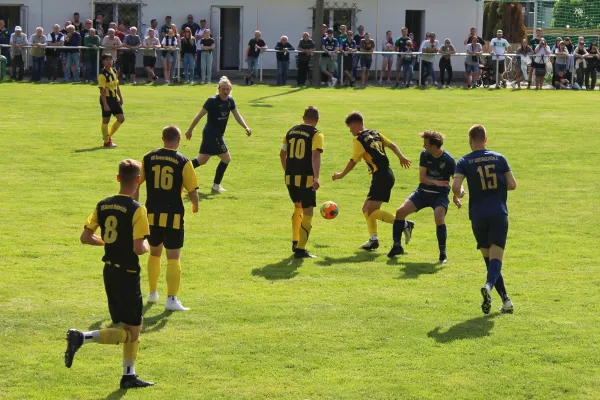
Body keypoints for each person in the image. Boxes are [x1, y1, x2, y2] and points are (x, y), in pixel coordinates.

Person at [65, 159, 153, 389]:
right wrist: (147, 247)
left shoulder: (102, 205)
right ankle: (82, 337)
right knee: (133, 330)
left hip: (109, 272)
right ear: (137, 181)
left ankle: (128, 376)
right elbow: (138, 247)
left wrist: (106, 242)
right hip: (128, 274)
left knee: (126, 328)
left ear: (117, 178)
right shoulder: (137, 209)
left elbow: (85, 238)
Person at [452, 124, 517, 314]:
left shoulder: (464, 161)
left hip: (478, 215)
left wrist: (460, 193)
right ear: (486, 140)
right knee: (496, 258)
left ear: (470, 141)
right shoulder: (500, 158)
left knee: (489, 259)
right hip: (498, 212)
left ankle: (506, 301)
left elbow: (456, 187)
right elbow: (512, 185)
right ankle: (489, 286)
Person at [332, 112, 411, 251]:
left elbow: (353, 161)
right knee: (366, 209)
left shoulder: (358, 139)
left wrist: (341, 175)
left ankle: (403, 224)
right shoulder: (375, 133)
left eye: (350, 127)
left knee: (370, 211)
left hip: (381, 177)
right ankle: (373, 239)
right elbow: (392, 145)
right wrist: (401, 157)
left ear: (356, 124)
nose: (350, 130)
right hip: (385, 174)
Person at [140, 126, 199, 311]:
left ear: (162, 138)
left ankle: (152, 293)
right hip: (173, 216)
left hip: (151, 215)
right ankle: (172, 299)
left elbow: (136, 182)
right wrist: (195, 204)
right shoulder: (183, 161)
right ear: (179, 140)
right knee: (173, 256)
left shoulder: (148, 158)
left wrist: (135, 204)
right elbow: (192, 190)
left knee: (154, 253)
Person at [387, 131, 458, 263]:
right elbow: (422, 178)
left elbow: (457, 180)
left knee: (439, 217)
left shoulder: (448, 160)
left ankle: (443, 255)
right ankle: (397, 246)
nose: (423, 147)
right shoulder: (425, 155)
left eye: (426, 144)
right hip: (423, 192)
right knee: (400, 212)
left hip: (439, 195)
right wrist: (436, 182)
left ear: (434, 146)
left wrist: (458, 195)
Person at [185, 77, 252, 193]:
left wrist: (245, 126)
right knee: (226, 158)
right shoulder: (212, 101)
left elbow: (237, 115)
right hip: (212, 134)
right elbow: (199, 115)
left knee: (202, 160)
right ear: (219, 89)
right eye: (223, 89)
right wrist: (190, 130)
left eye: (228, 89)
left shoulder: (230, 101)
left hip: (214, 135)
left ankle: (181, 171)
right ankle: (216, 185)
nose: (226, 92)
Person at [280, 106, 323, 258]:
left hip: (290, 178)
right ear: (317, 120)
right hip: (307, 179)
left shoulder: (290, 131)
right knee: (308, 211)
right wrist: (317, 178)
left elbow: (282, 154)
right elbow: (315, 156)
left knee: (297, 206)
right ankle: (300, 249)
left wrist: (288, 170)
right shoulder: (316, 134)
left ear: (303, 117)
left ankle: (295, 240)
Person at [98, 54, 124, 148]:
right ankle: (106, 142)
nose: (110, 61)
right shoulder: (102, 74)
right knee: (106, 121)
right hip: (107, 99)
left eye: (111, 59)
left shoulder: (114, 71)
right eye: (107, 60)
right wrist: (105, 104)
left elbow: (117, 85)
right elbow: (102, 91)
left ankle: (107, 137)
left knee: (121, 118)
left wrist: (120, 97)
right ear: (103, 62)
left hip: (114, 99)